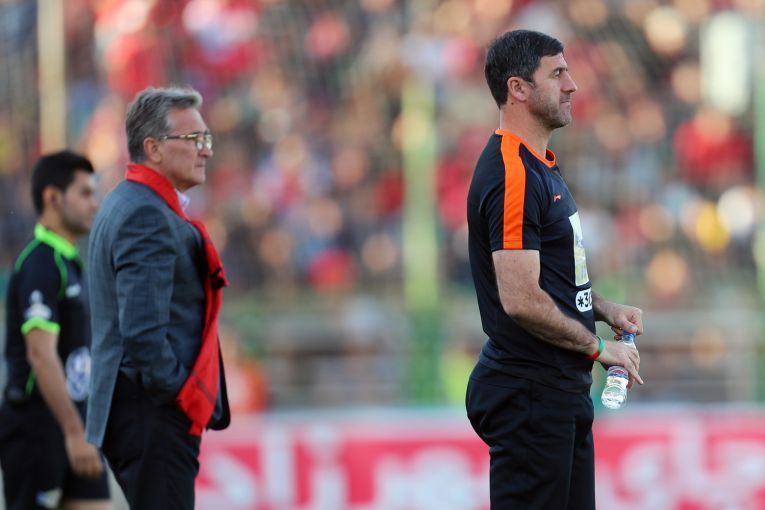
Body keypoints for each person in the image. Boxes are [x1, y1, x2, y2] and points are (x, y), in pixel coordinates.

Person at [465, 30, 644, 509]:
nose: (572, 84)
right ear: (518, 88)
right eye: (557, 73)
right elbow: (521, 298)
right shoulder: (513, 172)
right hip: (531, 392)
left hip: (555, 391)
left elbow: (550, 279)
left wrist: (602, 308)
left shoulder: (538, 164)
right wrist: (598, 347)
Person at [86, 86, 230, 509]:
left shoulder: (128, 201)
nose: (206, 150)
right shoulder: (146, 213)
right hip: (152, 415)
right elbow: (143, 335)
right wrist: (182, 396)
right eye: (193, 139)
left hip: (141, 413)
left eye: (206, 138)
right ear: (153, 148)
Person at [0, 151, 110, 510]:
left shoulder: (71, 262)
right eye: (85, 193)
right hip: (38, 427)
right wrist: (73, 432)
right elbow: (40, 354)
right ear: (52, 198)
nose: (94, 204)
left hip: (76, 424)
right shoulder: (40, 263)